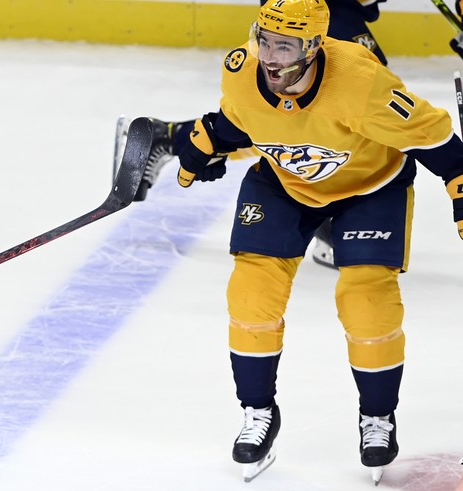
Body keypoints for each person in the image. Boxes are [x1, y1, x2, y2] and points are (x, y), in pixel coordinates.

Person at [148, 0, 463, 483]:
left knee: (365, 298)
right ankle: (258, 413)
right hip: (286, 184)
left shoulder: (361, 82)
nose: (270, 57)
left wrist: (460, 185)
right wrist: (205, 143)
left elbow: (435, 138)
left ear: (313, 46)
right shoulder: (242, 68)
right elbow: (239, 120)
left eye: (284, 46)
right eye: (264, 40)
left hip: (370, 187)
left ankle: (377, 417)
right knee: (251, 294)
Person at [137, 0, 389, 270]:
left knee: (355, 102)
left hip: (337, 10)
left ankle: (170, 137)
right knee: (328, 108)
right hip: (311, 13)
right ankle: (331, 215)